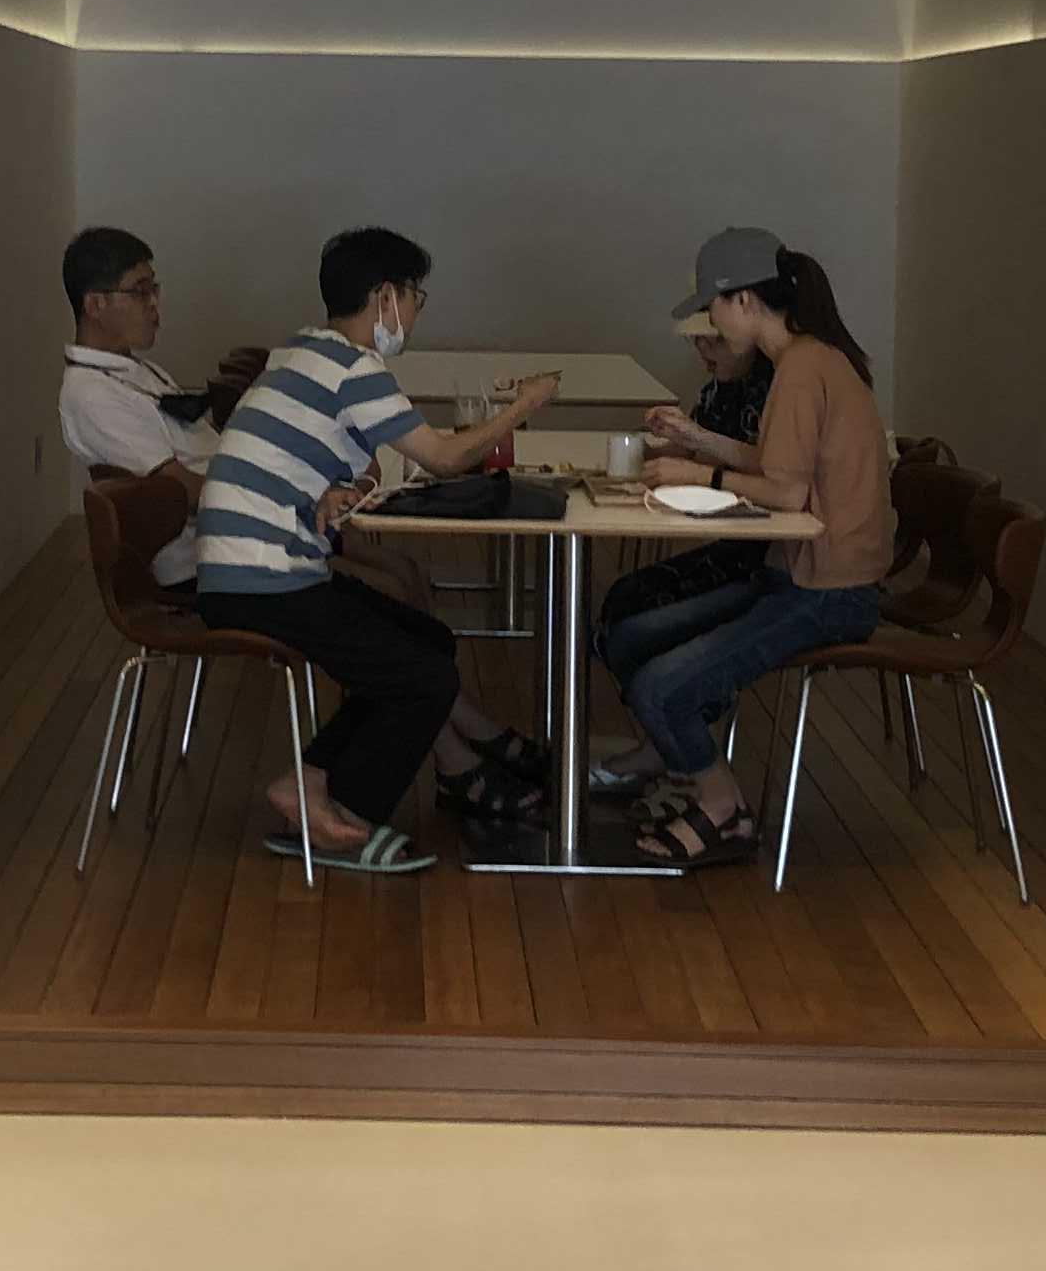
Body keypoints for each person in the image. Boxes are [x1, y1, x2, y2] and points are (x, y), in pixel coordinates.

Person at [196, 227, 560, 872]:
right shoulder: (355, 369)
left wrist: (348, 487)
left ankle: (313, 781)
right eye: (417, 296)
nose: (417, 311)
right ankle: (351, 817)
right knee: (423, 677)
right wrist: (524, 406)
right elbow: (444, 458)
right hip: (263, 576)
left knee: (425, 643)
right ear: (385, 296)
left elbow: (358, 460)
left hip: (251, 566)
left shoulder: (302, 353)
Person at [594, 227, 892, 869]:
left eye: (714, 308)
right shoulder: (810, 358)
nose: (712, 325)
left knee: (660, 688)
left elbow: (784, 491)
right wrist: (699, 442)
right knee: (633, 636)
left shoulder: (801, 368)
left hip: (829, 591)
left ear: (745, 300)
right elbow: (776, 461)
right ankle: (688, 773)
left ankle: (723, 810)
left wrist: (700, 475)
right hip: (799, 576)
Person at [584, 308, 775, 722]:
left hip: (767, 552)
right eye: (697, 340)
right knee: (623, 596)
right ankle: (666, 720)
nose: (703, 349)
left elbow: (771, 471)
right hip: (735, 541)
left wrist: (695, 456)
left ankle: (683, 709)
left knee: (632, 612)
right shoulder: (716, 390)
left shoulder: (774, 392)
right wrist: (660, 445)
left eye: (714, 339)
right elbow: (696, 451)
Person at [56, 224, 216, 588]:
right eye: (140, 292)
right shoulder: (91, 394)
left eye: (154, 289)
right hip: (203, 563)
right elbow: (179, 492)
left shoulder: (132, 369)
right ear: (95, 305)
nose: (155, 304)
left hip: (232, 536)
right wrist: (269, 499)